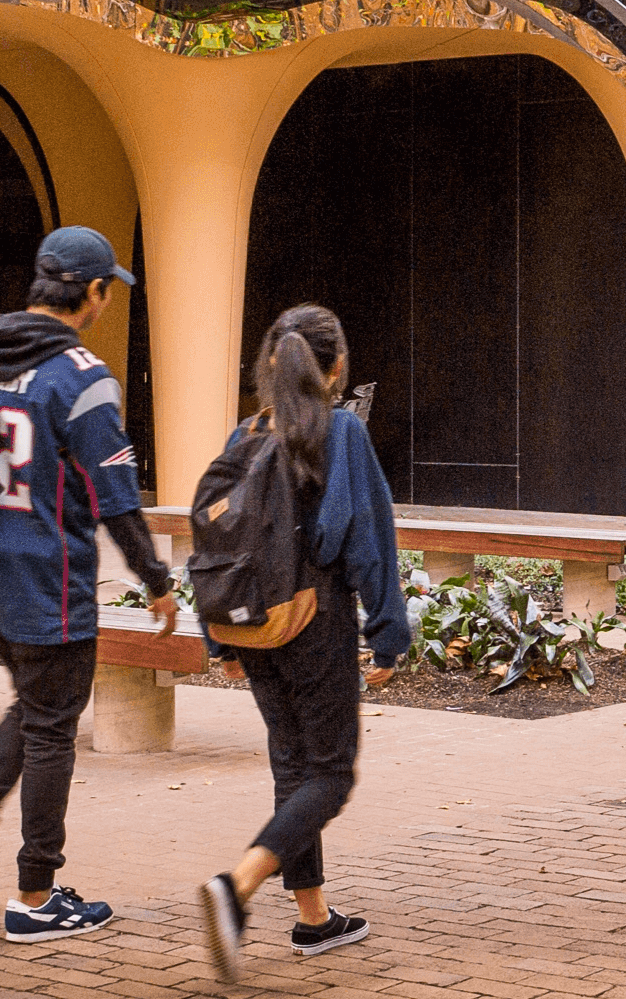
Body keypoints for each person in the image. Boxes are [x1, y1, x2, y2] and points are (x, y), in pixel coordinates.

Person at [0, 226, 178, 941]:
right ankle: (37, 897)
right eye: (106, 291)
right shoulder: (82, 376)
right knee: (54, 728)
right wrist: (156, 579)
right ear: (91, 292)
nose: (105, 302)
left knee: (36, 708)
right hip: (50, 580)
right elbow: (116, 494)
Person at [201, 304, 408, 980]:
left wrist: (222, 643)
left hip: (256, 625)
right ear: (336, 366)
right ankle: (236, 886)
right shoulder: (340, 430)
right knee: (330, 775)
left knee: (293, 770)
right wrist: (387, 634)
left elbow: (217, 541)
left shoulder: (246, 433)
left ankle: (315, 920)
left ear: (269, 364)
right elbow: (367, 538)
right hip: (317, 622)